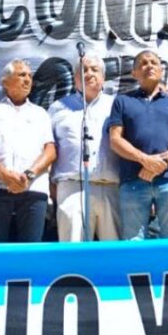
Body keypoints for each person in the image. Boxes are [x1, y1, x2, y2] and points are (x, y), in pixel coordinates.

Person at [109, 50, 168, 240]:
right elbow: (115, 140)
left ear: (162, 70)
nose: (149, 66)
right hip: (133, 180)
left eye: (154, 62)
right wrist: (145, 160)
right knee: (133, 241)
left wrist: (162, 161)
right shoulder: (122, 101)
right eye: (143, 63)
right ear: (134, 73)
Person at [0, 60, 56, 243]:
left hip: (33, 188)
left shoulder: (40, 114)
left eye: (30, 76)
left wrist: (29, 174)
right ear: (5, 82)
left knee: (31, 251)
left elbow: (50, 150)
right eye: (22, 75)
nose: (27, 80)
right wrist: (2, 173)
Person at [48, 55, 120, 242]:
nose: (88, 73)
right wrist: (50, 185)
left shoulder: (117, 105)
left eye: (94, 70)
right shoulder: (58, 108)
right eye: (83, 70)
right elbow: (48, 147)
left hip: (111, 187)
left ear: (103, 77)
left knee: (114, 251)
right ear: (75, 78)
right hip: (71, 187)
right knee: (72, 250)